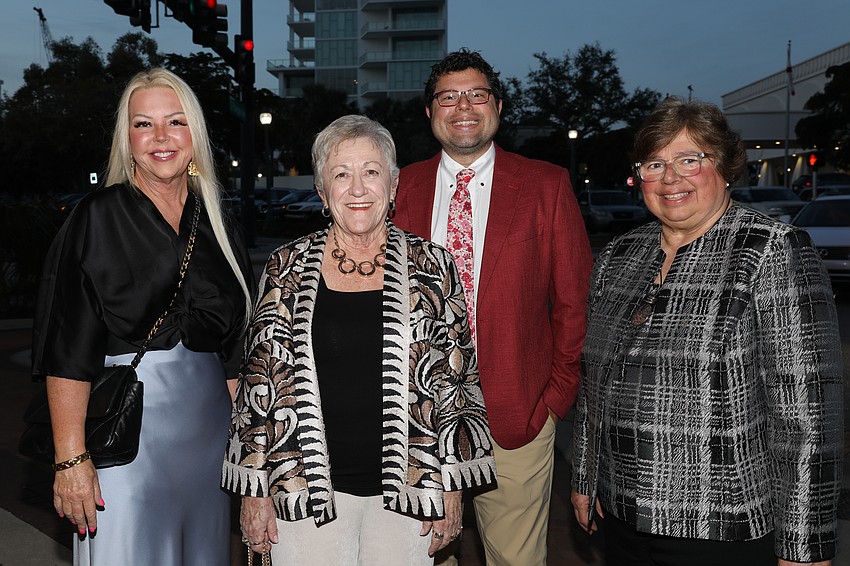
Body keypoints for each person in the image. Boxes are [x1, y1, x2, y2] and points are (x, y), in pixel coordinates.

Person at [571, 97, 843, 566]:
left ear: (724, 165)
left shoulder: (773, 251)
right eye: (655, 163)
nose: (671, 177)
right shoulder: (617, 257)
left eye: (689, 159)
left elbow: (808, 411)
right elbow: (594, 386)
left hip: (720, 526)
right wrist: (584, 477)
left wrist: (806, 540)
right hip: (619, 515)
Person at [222, 114, 497, 566]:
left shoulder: (434, 265)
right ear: (322, 191)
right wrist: (255, 492)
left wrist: (453, 486)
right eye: (341, 174)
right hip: (303, 491)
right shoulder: (284, 267)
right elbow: (258, 389)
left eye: (371, 172)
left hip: (412, 489)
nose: (357, 188)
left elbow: (459, 384)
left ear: (392, 187)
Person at [31, 68, 255, 566]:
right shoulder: (99, 217)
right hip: (125, 440)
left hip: (210, 446)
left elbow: (238, 352)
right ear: (126, 138)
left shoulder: (217, 218)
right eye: (143, 124)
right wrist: (71, 459)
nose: (160, 137)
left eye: (175, 121)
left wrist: (250, 456)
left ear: (194, 134)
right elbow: (68, 347)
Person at [393, 48, 594, 565]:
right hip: (417, 419)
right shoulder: (398, 187)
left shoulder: (546, 185)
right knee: (422, 558)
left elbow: (573, 301)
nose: (463, 106)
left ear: (499, 107)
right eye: (448, 96)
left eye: (477, 94)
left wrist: (553, 399)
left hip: (518, 418)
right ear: (430, 112)